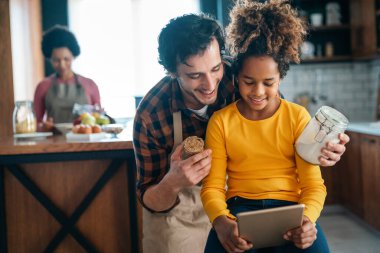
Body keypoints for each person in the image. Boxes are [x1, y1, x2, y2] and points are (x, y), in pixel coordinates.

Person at [133, 13, 349, 253]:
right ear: (173, 72)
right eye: (195, 76)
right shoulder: (152, 113)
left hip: (256, 202)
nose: (210, 84)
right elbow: (149, 196)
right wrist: (174, 182)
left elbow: (293, 152)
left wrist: (319, 149)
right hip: (183, 202)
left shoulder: (246, 79)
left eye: (216, 69)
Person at [201, 1, 330, 252]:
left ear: (280, 77)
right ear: (236, 77)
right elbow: (213, 187)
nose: (258, 92)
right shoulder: (221, 121)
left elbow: (313, 185)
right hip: (238, 212)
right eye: (249, 81)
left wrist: (308, 220)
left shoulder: (298, 117)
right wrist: (221, 222)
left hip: (292, 213)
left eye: (268, 82)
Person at [33, 25, 101, 126]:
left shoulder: (90, 85)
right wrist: (44, 126)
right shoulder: (42, 87)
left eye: (66, 59)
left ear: (73, 56)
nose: (62, 65)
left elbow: (99, 120)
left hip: (84, 140)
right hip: (53, 141)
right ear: (50, 59)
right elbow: (36, 123)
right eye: (56, 60)